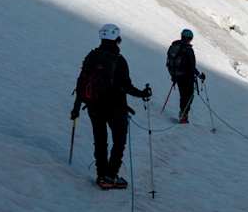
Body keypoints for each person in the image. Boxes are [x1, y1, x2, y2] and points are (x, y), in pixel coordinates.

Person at [70, 24, 152, 190]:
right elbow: (126, 86)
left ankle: (101, 175)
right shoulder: (119, 60)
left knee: (100, 141)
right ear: (117, 39)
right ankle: (111, 176)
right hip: (116, 108)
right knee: (119, 141)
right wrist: (143, 94)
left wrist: (76, 108)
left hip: (94, 106)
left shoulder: (92, 56)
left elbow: (81, 82)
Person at [166, 28, 203, 123]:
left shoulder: (175, 46)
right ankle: (183, 115)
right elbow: (191, 66)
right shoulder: (188, 50)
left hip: (177, 76)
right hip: (187, 77)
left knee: (183, 95)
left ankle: (183, 114)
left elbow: (169, 61)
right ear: (190, 38)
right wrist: (199, 75)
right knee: (189, 96)